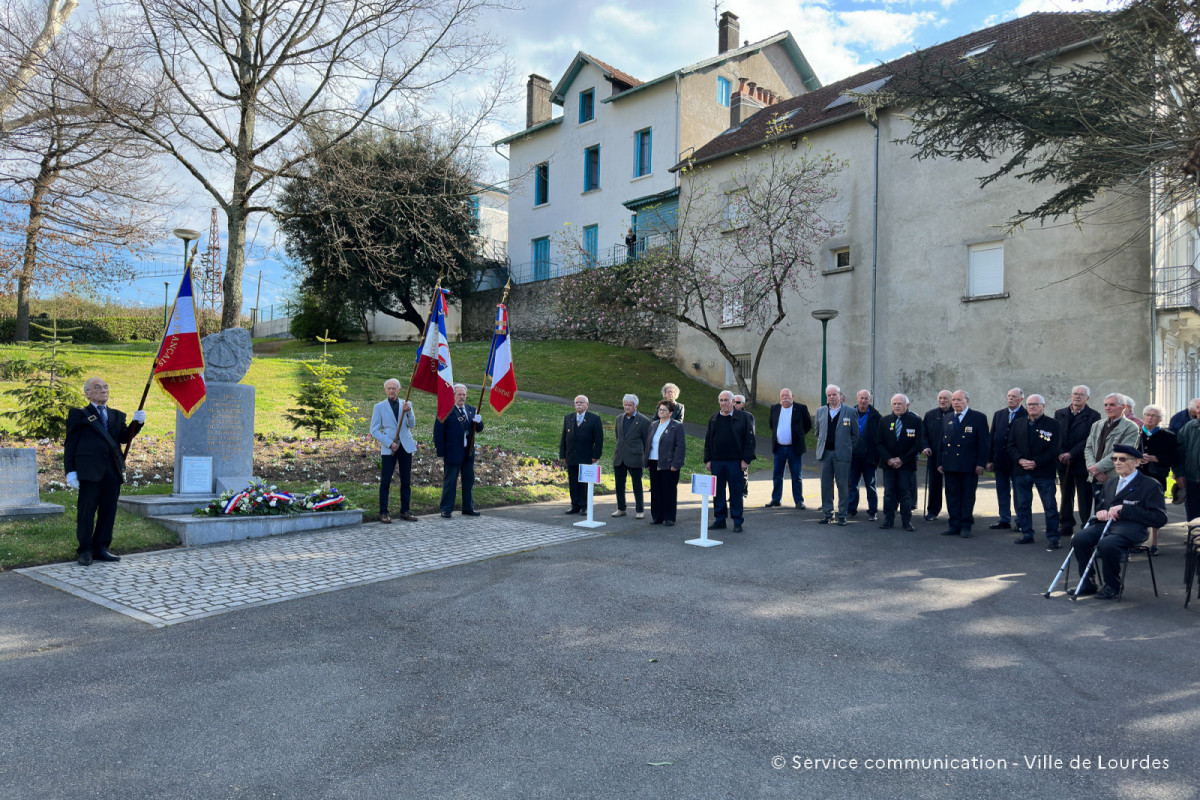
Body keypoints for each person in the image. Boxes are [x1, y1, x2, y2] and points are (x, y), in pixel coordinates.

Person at [63, 376, 145, 566]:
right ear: (88, 393)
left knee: (108, 512)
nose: (103, 391)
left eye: (106, 387)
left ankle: (101, 548)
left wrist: (137, 423)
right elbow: (70, 444)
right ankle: (84, 550)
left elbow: (124, 438)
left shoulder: (117, 415)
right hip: (89, 472)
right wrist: (70, 471)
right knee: (86, 512)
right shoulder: (79, 414)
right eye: (98, 387)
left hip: (112, 472)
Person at [1071, 443, 1167, 600]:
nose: (1117, 462)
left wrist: (1125, 509)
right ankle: (1087, 582)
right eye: (1114, 458)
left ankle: (1112, 585)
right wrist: (1101, 513)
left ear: (1137, 462)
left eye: (1122, 459)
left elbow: (1159, 518)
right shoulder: (1110, 483)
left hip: (1132, 528)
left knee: (1107, 544)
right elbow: (1103, 507)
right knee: (1080, 538)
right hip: (1106, 525)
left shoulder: (1150, 485)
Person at [1007, 394, 1061, 548]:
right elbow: (1010, 445)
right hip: (1021, 470)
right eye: (1029, 404)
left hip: (1043, 471)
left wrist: (1036, 462)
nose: (1032, 407)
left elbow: (1054, 448)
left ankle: (1053, 536)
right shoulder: (1018, 423)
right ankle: (1027, 533)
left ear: (1043, 406)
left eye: (1035, 404)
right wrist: (1020, 460)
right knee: (1023, 505)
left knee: (1049, 505)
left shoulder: (1053, 424)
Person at [938, 390, 989, 538]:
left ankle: (966, 525)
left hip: (969, 464)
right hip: (950, 464)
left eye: (959, 400)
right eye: (953, 400)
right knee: (951, 495)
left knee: (967, 496)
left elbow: (984, 444)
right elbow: (942, 442)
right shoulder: (947, 417)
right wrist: (940, 462)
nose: (955, 403)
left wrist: (981, 463)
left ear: (967, 401)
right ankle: (954, 524)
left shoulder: (978, 417)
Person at [703, 390, 755, 532]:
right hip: (717, 462)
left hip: (736, 462)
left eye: (727, 400)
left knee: (736, 492)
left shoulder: (743, 417)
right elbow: (708, 440)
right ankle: (720, 520)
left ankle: (737, 521)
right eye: (721, 400)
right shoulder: (714, 418)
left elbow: (749, 441)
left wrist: (746, 460)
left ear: (733, 402)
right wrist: (707, 459)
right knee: (718, 492)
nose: (724, 403)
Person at [1054, 385, 1101, 541]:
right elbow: (1056, 436)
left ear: (1087, 398)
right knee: (1066, 495)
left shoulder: (1094, 415)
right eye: (1075, 394)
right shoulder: (1060, 413)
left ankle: (1086, 527)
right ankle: (1066, 525)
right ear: (1070, 395)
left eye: (1081, 394)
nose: (1077, 397)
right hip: (1063, 462)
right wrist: (1061, 452)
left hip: (1082, 461)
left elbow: (1089, 439)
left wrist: (1071, 453)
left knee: (1084, 496)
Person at [370, 379, 418, 523]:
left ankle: (405, 511)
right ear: (385, 390)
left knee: (406, 480)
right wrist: (389, 443)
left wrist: (408, 412)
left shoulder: (406, 404)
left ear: (399, 389)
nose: (391, 391)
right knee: (385, 481)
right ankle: (383, 512)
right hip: (390, 448)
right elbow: (373, 429)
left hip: (405, 446)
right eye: (389, 388)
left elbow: (412, 424)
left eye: (394, 388)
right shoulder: (379, 407)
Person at [432, 383, 484, 518]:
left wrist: (478, 421)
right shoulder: (446, 410)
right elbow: (438, 433)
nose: (462, 397)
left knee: (468, 480)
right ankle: (446, 508)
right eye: (459, 394)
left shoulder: (471, 410)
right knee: (450, 481)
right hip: (452, 452)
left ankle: (468, 507)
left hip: (468, 452)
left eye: (464, 395)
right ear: (453, 396)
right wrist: (441, 452)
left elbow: (479, 429)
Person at [875, 393, 922, 531]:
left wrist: (902, 459)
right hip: (888, 465)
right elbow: (879, 443)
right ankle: (888, 520)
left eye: (899, 404)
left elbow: (917, 444)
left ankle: (906, 521)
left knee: (905, 493)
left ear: (907, 405)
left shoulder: (915, 421)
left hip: (906, 464)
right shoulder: (884, 421)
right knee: (889, 493)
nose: (896, 406)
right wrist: (889, 459)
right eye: (894, 404)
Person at [1085, 393, 1140, 506]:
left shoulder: (1131, 427)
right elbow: (1088, 448)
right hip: (1095, 476)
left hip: (1114, 477)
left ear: (1124, 407)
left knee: (1112, 512)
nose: (1108, 408)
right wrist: (1093, 469)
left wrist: (1098, 468)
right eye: (1106, 405)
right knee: (1098, 513)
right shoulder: (1097, 425)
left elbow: (1123, 452)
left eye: (1112, 405)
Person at [815, 384, 858, 526]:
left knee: (842, 485)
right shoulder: (821, 411)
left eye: (835, 394)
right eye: (829, 395)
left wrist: (845, 446)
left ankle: (842, 515)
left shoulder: (850, 412)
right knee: (826, 485)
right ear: (826, 396)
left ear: (840, 395)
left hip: (842, 455)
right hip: (825, 454)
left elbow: (855, 435)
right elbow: (817, 433)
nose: (832, 397)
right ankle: (828, 514)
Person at [1137, 404, 1175, 555]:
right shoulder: (1137, 433)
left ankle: (1154, 543)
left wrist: (1154, 458)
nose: (1150, 418)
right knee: (1137, 507)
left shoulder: (1168, 436)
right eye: (1147, 415)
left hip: (1156, 476)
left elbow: (1173, 458)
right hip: (1137, 476)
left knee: (1154, 509)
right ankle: (1138, 540)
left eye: (1154, 416)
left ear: (1160, 419)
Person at [987, 387, 1026, 530]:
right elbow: (992, 437)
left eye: (1014, 396)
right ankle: (1004, 519)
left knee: (1019, 493)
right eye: (1009, 396)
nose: (1010, 398)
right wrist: (989, 459)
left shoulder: (1026, 414)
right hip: (1000, 460)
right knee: (1002, 490)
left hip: (1017, 462)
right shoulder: (999, 414)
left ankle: (1021, 521)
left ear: (1021, 399)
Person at [765, 388, 812, 509]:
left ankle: (799, 501)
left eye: (787, 395)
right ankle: (776, 499)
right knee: (777, 475)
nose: (785, 397)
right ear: (779, 397)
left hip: (794, 448)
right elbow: (772, 425)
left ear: (792, 396)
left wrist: (798, 435)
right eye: (782, 396)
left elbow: (808, 425)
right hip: (779, 448)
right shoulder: (775, 408)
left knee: (796, 476)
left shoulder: (801, 408)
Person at [560, 394, 604, 514]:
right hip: (571, 456)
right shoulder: (568, 418)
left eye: (581, 402)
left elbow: (599, 440)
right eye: (576, 402)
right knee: (573, 482)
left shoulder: (594, 419)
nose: (579, 404)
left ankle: (585, 506)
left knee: (584, 483)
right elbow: (564, 438)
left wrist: (596, 456)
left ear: (587, 405)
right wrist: (563, 455)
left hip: (586, 456)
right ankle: (575, 505)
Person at [645, 399, 686, 526]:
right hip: (654, 461)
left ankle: (669, 517)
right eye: (659, 409)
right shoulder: (654, 424)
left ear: (671, 412)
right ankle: (657, 516)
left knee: (668, 490)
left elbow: (680, 446)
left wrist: (676, 464)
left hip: (669, 463)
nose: (661, 412)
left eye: (664, 410)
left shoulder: (676, 426)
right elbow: (648, 443)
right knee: (656, 490)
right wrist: (646, 461)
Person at [612, 394, 650, 519]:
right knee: (619, 485)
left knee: (637, 485)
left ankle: (640, 510)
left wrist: (646, 459)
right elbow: (618, 437)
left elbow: (647, 442)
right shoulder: (619, 418)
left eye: (630, 405)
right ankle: (621, 508)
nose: (627, 407)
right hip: (620, 458)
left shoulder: (644, 421)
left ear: (636, 406)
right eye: (625, 405)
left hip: (635, 458)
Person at [847, 390, 881, 520]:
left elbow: (879, 438)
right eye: (861, 398)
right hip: (853, 456)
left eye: (866, 398)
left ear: (870, 400)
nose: (863, 401)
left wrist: (877, 457)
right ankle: (851, 509)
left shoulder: (876, 416)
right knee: (853, 484)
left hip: (869, 457)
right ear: (857, 399)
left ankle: (873, 511)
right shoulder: (849, 413)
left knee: (870, 485)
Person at [921, 390, 953, 521]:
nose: (942, 400)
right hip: (934, 455)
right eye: (940, 398)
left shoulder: (955, 414)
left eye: (945, 398)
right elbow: (923, 435)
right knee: (934, 485)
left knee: (952, 486)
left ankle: (954, 513)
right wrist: (925, 446)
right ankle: (933, 511)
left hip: (951, 456)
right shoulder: (930, 415)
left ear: (951, 400)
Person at [733, 394, 754, 497]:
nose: (735, 404)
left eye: (737, 402)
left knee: (743, 473)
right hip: (732, 450)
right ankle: (733, 494)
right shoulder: (729, 414)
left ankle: (743, 493)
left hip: (743, 449)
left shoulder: (748, 416)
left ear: (743, 404)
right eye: (733, 402)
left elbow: (751, 434)